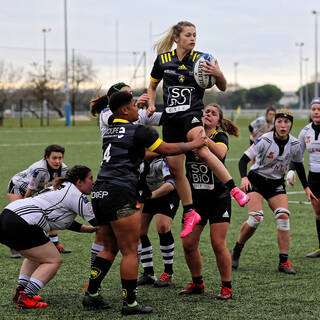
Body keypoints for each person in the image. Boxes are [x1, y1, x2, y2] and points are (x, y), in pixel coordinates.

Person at [82, 91, 206, 315]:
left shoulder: (109, 129)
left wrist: (153, 155)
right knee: (130, 251)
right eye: (133, 105)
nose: (137, 110)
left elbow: (135, 154)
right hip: (121, 193)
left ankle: (91, 294)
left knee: (109, 247)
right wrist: (194, 143)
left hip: (100, 192)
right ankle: (130, 303)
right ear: (124, 110)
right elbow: (167, 149)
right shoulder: (139, 131)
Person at [147, 20, 248, 238]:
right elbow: (153, 84)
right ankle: (190, 212)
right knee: (175, 169)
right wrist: (152, 103)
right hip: (171, 119)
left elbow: (222, 86)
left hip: (191, 114)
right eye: (188, 35)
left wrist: (218, 73)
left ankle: (233, 189)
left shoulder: (202, 60)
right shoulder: (163, 60)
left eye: (195, 35)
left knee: (202, 149)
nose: (193, 38)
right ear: (176, 38)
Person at [231, 109, 317, 274]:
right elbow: (243, 160)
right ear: (274, 123)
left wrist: (306, 187)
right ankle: (237, 249)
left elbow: (298, 165)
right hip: (256, 180)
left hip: (276, 183)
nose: (283, 125)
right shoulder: (264, 140)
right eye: (279, 122)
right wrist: (244, 178)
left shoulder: (295, 144)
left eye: (286, 122)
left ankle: (283, 262)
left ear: (291, 124)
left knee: (283, 216)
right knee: (256, 218)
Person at [0, 165, 97, 309]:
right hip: (22, 223)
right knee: (54, 260)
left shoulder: (60, 187)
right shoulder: (75, 195)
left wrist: (86, 230)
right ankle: (27, 296)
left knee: (36, 256)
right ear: (79, 182)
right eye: (90, 178)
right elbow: (98, 221)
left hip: (7, 216)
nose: (93, 182)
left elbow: (62, 220)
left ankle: (20, 291)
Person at [89, 82, 163, 267]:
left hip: (134, 177)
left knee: (137, 231)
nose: (133, 97)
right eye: (127, 95)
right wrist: (137, 108)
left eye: (132, 94)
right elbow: (116, 120)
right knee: (105, 237)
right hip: (115, 177)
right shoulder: (109, 113)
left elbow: (161, 118)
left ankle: (145, 271)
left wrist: (186, 113)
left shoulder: (133, 114)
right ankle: (97, 281)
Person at [181, 103, 238, 300]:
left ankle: (227, 287)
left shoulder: (219, 137)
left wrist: (202, 139)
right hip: (196, 199)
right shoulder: (191, 135)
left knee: (217, 243)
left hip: (218, 199)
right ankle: (197, 283)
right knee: (188, 244)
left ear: (219, 122)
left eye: (213, 113)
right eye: (206, 111)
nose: (208, 114)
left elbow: (220, 154)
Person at [7, 144, 71, 258]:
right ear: (46, 158)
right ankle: (14, 247)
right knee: (18, 216)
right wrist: (25, 205)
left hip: (36, 188)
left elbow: (60, 189)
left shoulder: (64, 169)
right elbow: (30, 191)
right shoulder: (39, 169)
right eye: (54, 158)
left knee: (52, 209)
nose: (57, 161)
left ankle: (55, 244)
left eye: (60, 158)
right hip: (18, 185)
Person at [137, 156, 180, 288]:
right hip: (149, 195)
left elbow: (171, 184)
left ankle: (168, 273)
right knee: (139, 230)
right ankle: (148, 273)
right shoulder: (137, 160)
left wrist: (150, 195)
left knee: (162, 226)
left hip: (167, 195)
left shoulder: (163, 160)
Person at [288, 98, 320, 258]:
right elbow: (296, 155)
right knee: (318, 213)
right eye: (313, 109)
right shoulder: (305, 131)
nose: (316, 112)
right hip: (313, 177)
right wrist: (291, 171)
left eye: (319, 109)